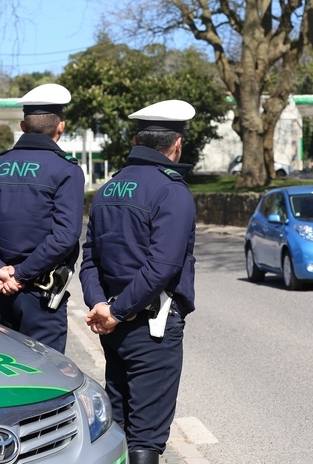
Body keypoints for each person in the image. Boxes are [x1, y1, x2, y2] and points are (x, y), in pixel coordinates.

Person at [80, 100, 197, 464]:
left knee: (119, 422)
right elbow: (162, 266)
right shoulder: (171, 190)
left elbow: (90, 259)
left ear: (135, 141)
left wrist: (101, 306)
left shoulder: (108, 189)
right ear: (176, 144)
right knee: (146, 433)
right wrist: (117, 311)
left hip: (113, 326)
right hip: (151, 326)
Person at [0, 83, 84, 354]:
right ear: (60, 127)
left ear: (23, 127)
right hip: (41, 298)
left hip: (2, 292)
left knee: (5, 370)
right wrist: (20, 274)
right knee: (44, 374)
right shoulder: (66, 170)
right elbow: (65, 236)